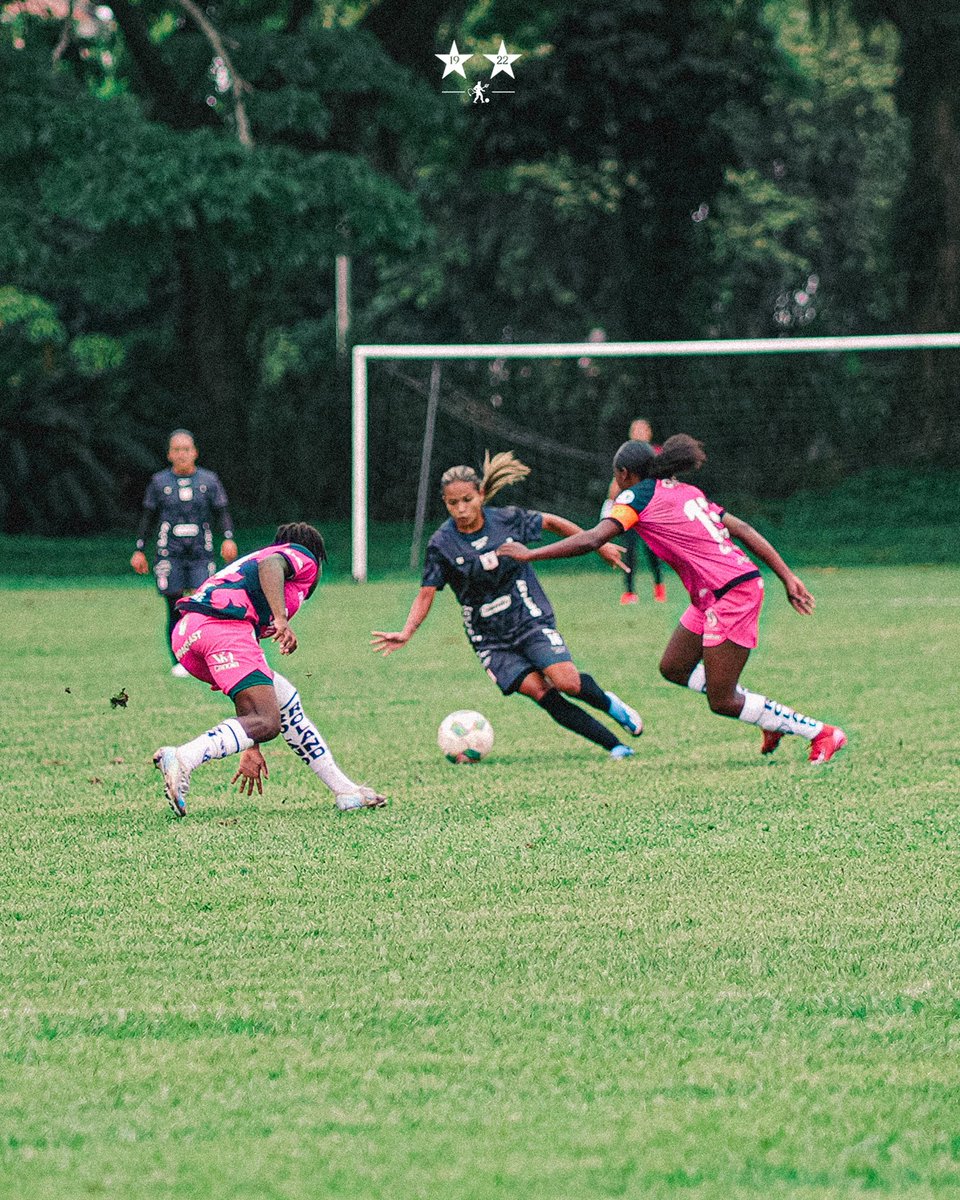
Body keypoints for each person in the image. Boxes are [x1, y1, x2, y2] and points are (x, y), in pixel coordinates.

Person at [498, 436, 847, 764]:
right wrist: (786, 575)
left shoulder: (634, 497)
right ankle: (767, 717)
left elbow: (592, 539)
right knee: (674, 667)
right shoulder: (684, 491)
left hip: (732, 594)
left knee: (722, 701)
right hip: (713, 594)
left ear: (623, 474)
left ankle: (822, 733)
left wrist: (530, 555)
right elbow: (744, 530)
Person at [371, 452, 644, 759]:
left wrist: (599, 544)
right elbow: (426, 593)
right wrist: (407, 631)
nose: (461, 509)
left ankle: (610, 705)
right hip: (489, 637)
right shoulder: (441, 544)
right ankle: (615, 746)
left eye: (467, 500)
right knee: (541, 692)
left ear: (481, 495)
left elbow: (551, 522)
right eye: (452, 503)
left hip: (528, 616)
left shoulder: (507, 520)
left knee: (566, 681)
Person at [153, 522, 387, 817]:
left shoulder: (249, 580)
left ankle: (346, 791)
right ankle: (183, 757)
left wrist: (252, 744)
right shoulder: (299, 557)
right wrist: (281, 618)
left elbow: (248, 684)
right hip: (219, 627)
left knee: (285, 704)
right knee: (268, 720)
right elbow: (272, 563)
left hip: (191, 635)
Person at [130, 429, 238, 676]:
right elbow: (148, 517)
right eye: (176, 450)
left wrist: (229, 538)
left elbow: (222, 512)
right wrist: (139, 549)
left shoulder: (209, 481)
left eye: (186, 449)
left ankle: (206, 657)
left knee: (203, 603)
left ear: (195, 452)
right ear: (169, 454)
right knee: (175, 605)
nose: (182, 454)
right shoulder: (159, 483)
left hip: (201, 551)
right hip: (170, 553)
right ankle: (179, 661)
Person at [604, 418, 666, 606]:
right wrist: (610, 503)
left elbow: (665, 480)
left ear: (649, 433)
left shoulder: (656, 455)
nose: (638, 432)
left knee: (653, 550)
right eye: (635, 429)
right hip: (630, 509)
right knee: (629, 550)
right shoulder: (625, 455)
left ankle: (659, 587)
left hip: (650, 509)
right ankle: (630, 592)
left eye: (642, 429)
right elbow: (616, 482)